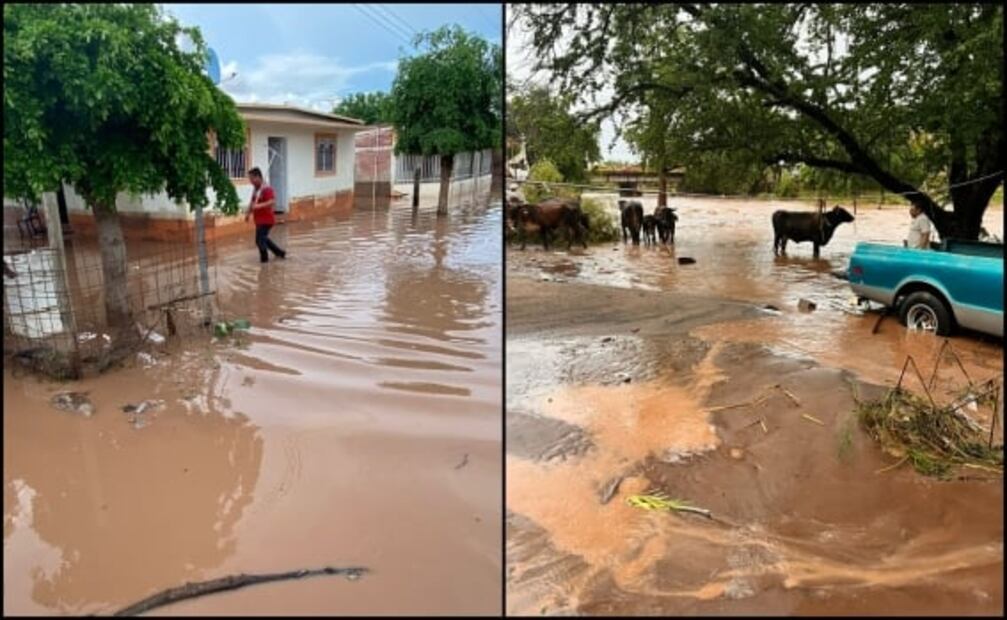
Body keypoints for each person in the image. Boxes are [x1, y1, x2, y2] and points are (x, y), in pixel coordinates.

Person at [244, 167, 286, 263]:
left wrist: (259, 206)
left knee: (259, 241)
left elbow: (272, 201)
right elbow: (252, 201)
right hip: (259, 219)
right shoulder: (256, 189)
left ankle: (264, 262)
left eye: (251, 179)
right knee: (263, 239)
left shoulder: (266, 188)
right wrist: (248, 213)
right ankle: (280, 253)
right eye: (250, 179)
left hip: (266, 220)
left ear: (258, 177)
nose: (250, 181)